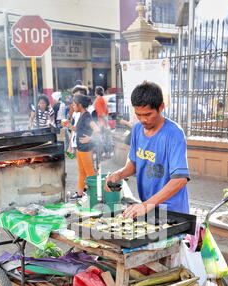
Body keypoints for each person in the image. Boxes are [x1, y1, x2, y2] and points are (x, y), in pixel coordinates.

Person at [105, 81, 190, 218]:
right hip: (149, 208)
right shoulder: (137, 129)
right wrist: (119, 174)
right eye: (138, 114)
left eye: (148, 114)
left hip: (172, 211)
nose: (143, 119)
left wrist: (146, 205)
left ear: (161, 107)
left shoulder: (174, 134)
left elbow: (180, 179)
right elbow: (134, 163)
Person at [69, 93, 100, 200]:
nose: (73, 107)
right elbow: (78, 129)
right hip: (80, 148)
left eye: (74, 105)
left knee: (90, 172)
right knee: (82, 171)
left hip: (86, 148)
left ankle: (95, 195)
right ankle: (80, 193)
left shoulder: (87, 116)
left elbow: (97, 129)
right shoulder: (82, 115)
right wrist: (68, 126)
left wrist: (89, 138)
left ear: (80, 105)